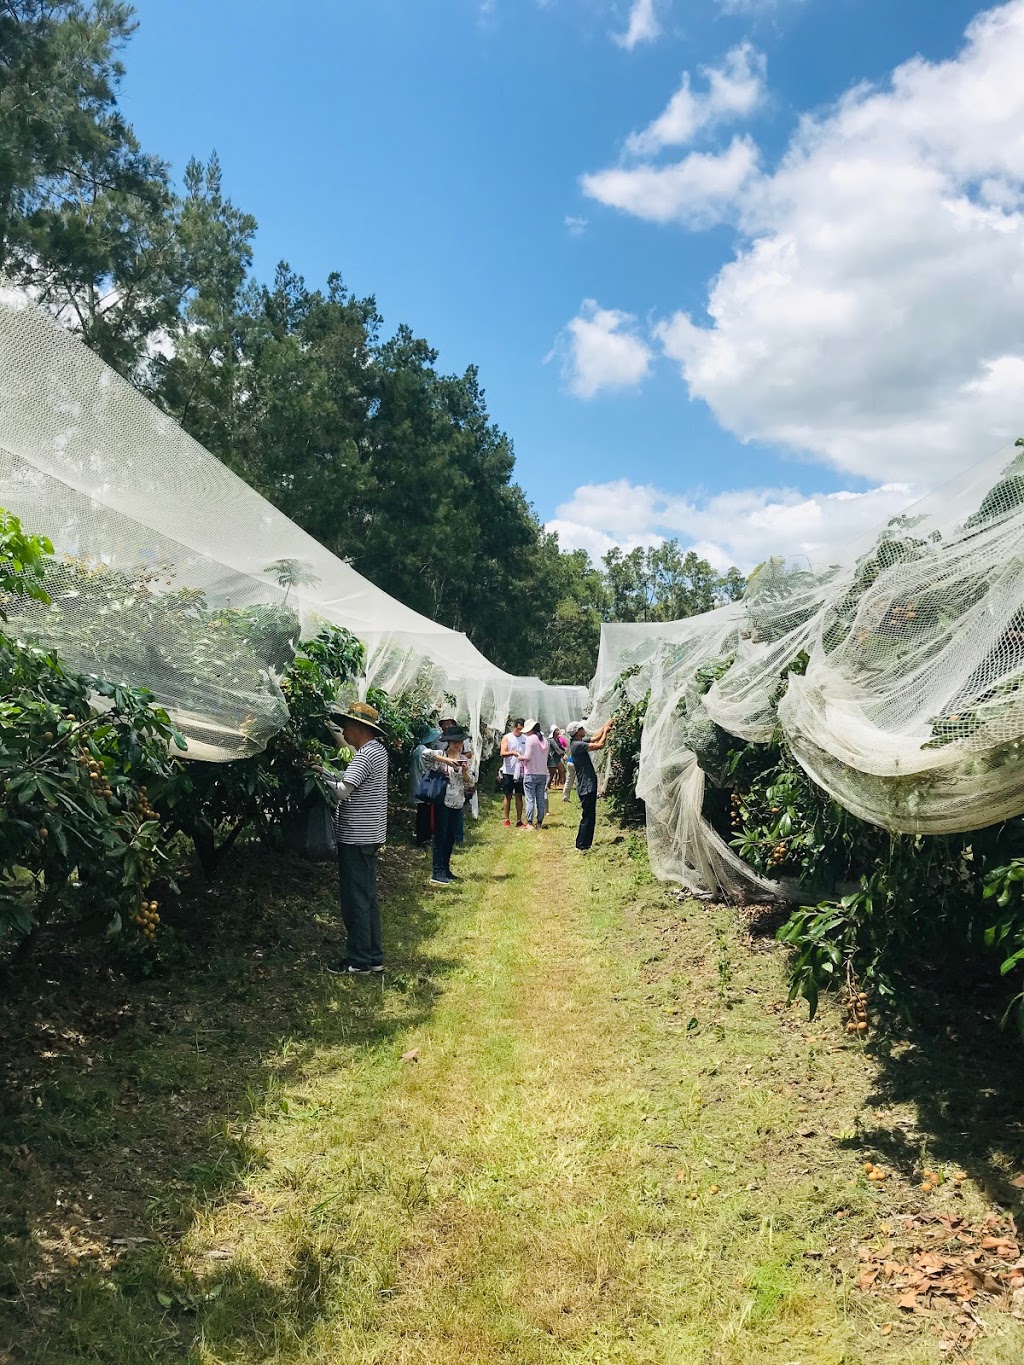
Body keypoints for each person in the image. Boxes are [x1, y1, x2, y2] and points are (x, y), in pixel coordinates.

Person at [321, 701, 389, 975]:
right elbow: (350, 781)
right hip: (370, 835)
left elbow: (342, 791)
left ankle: (359, 960)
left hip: (355, 837)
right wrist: (323, 771)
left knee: (355, 900)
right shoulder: (378, 752)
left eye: (346, 725)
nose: (343, 730)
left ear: (360, 728)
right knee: (368, 897)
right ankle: (373, 956)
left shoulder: (363, 756)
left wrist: (319, 779)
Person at [422, 727, 474, 885]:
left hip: (457, 803)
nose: (459, 745)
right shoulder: (440, 755)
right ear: (449, 742)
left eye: (460, 742)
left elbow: (471, 782)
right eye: (455, 742)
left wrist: (464, 771)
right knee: (440, 836)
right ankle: (437, 871)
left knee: (451, 837)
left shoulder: (464, 759)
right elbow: (424, 755)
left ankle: (445, 868)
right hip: (442, 801)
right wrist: (446, 761)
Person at [566, 718, 614, 852]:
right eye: (581, 728)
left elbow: (595, 737)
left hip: (587, 785)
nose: (583, 729)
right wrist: (606, 731)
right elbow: (600, 744)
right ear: (577, 732)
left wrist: (606, 724)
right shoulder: (577, 745)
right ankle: (581, 845)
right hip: (586, 787)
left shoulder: (578, 741)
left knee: (590, 816)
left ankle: (585, 844)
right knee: (588, 816)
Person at [410, 725, 441, 846]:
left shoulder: (417, 749)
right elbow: (435, 760)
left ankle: (423, 837)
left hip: (418, 786)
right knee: (424, 814)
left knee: (423, 813)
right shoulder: (424, 750)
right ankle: (422, 839)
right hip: (423, 788)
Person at [521, 719, 550, 829]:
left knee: (530, 799)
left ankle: (529, 822)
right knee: (540, 798)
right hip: (542, 774)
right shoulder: (545, 741)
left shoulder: (530, 739)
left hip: (530, 774)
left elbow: (527, 756)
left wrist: (520, 757)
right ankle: (539, 822)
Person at [499, 718, 526, 827]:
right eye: (518, 729)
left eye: (522, 729)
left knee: (519, 795)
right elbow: (502, 752)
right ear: (514, 727)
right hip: (508, 770)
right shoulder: (507, 737)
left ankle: (519, 820)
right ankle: (506, 819)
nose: (520, 731)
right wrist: (512, 753)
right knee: (508, 795)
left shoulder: (526, 738)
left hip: (520, 771)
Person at [547, 725, 566, 790]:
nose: (558, 731)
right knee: (551, 774)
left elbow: (560, 746)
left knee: (562, 770)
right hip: (552, 758)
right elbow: (556, 748)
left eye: (558, 730)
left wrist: (564, 750)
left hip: (557, 758)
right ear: (553, 732)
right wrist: (563, 754)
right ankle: (547, 785)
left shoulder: (557, 739)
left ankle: (561, 784)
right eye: (556, 730)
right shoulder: (551, 740)